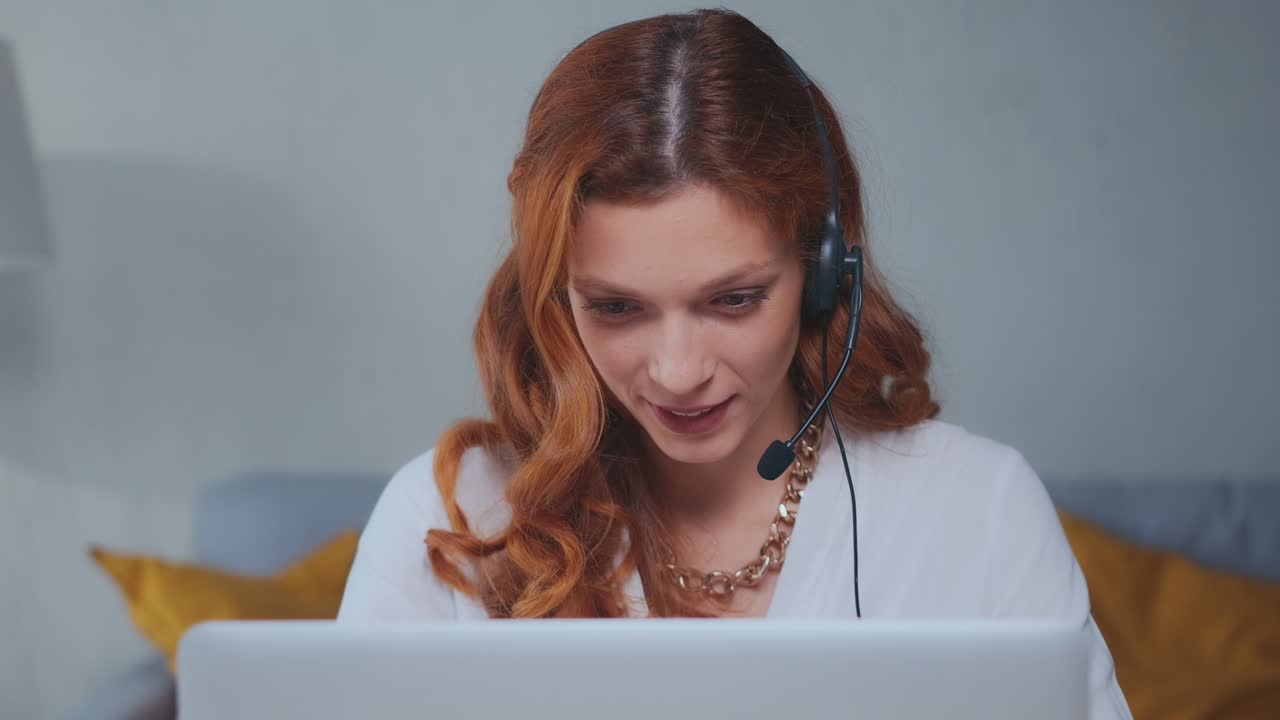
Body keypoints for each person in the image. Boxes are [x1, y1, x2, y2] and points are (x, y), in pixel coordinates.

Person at [338, 9, 1132, 719]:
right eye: (616, 308)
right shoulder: (448, 520)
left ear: (824, 274)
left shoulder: (978, 511)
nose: (678, 371)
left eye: (734, 300)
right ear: (557, 295)